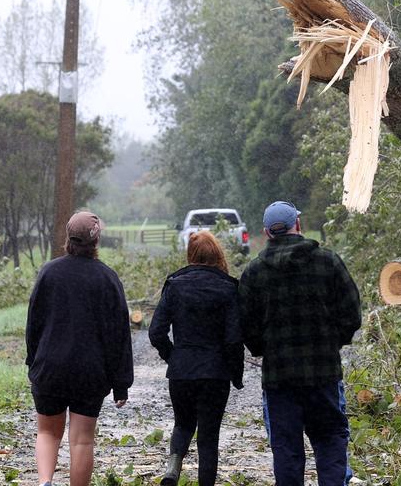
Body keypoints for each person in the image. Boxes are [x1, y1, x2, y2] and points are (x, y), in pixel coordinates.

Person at [239, 200, 362, 486]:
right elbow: (351, 314)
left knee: (286, 449)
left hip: (279, 378)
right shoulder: (328, 262)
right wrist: (332, 342)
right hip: (323, 374)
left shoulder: (254, 273)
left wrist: (263, 348)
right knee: (330, 441)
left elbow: (246, 326)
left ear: (267, 232)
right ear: (299, 225)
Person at [25, 211, 134, 486]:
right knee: (82, 441)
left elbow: (33, 322)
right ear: (96, 242)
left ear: (68, 238)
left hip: (50, 367)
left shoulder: (49, 272)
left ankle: (45, 482)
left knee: (47, 432)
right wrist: (121, 383)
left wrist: (33, 362)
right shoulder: (108, 279)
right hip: (90, 371)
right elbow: (118, 335)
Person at [150, 231, 244, 486]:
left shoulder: (174, 285)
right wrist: (236, 374)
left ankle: (173, 467)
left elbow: (156, 331)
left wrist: (174, 357)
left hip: (182, 371)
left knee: (182, 424)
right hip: (215, 372)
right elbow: (234, 339)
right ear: (217, 254)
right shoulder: (228, 288)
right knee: (208, 437)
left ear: (190, 255)